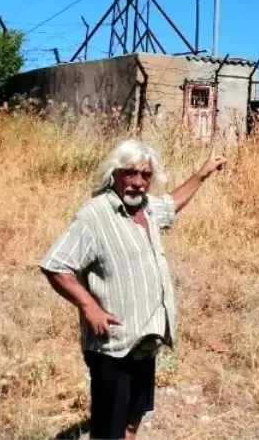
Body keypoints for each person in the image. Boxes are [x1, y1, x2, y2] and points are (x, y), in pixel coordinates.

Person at [40, 138, 225, 440]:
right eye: (130, 173)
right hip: (113, 346)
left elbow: (172, 204)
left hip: (144, 342)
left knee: (131, 422)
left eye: (145, 175)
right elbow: (55, 264)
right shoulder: (94, 215)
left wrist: (203, 174)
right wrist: (89, 306)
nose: (138, 183)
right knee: (108, 432)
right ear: (114, 173)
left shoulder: (148, 209)